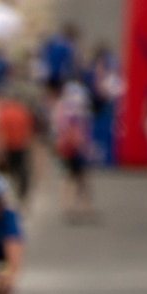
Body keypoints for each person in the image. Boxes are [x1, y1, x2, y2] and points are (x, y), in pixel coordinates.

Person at [50, 81, 94, 223]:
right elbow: (72, 131)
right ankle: (71, 206)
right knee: (74, 177)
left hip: (69, 147)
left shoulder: (64, 108)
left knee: (76, 177)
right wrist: (82, 145)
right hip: (71, 148)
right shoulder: (70, 111)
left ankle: (76, 205)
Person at [0, 92, 37, 202]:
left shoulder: (2, 112)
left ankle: (2, 196)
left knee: (3, 173)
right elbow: (29, 132)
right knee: (21, 172)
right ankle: (22, 196)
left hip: (6, 147)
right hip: (20, 146)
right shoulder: (23, 111)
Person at [39, 22, 80, 97]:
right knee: (56, 95)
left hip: (49, 72)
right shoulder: (70, 46)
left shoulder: (54, 41)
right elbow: (72, 62)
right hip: (60, 74)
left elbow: (43, 52)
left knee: (48, 94)